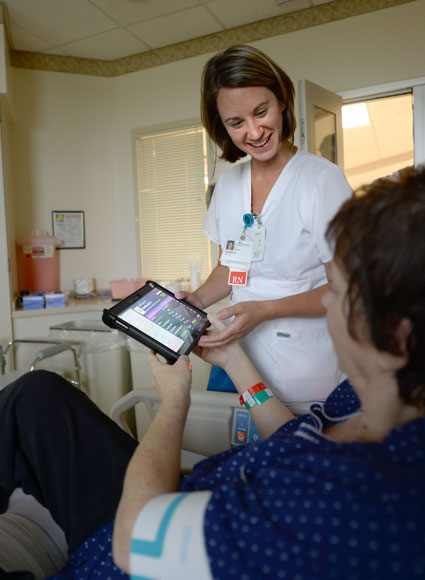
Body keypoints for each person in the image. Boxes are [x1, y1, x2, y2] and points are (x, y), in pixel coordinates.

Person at [1, 166, 425, 578]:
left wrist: (174, 400)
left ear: (395, 339)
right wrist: (234, 362)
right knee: (37, 395)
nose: (326, 304)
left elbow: (136, 542)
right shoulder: (364, 399)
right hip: (191, 494)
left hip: (133, 533)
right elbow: (297, 440)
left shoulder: (351, 502)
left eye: (338, 290)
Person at [177, 44, 352, 404]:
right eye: (236, 123)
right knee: (238, 453)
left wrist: (265, 311)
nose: (254, 132)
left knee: (294, 453)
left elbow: (347, 289)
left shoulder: (321, 181)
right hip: (237, 355)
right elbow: (231, 266)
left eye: (261, 111)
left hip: (304, 360)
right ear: (222, 126)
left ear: (282, 100)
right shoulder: (228, 185)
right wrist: (195, 299)